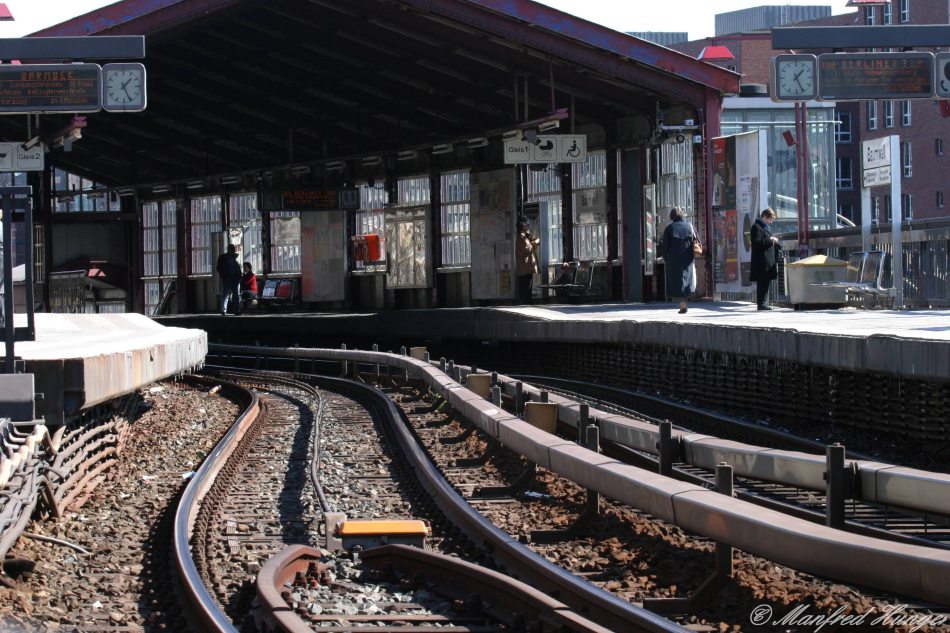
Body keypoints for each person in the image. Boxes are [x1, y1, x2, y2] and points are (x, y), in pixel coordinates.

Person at [659, 207, 697, 314]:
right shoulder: (690, 226)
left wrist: (666, 259)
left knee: (677, 283)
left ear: (672, 217)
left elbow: (665, 247)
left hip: (673, 260)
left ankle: (682, 305)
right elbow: (696, 240)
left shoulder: (669, 229)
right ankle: (684, 303)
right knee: (686, 280)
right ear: (682, 215)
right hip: (687, 258)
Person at [750, 207, 781, 311]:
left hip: (767, 261)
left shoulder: (765, 228)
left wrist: (773, 241)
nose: (771, 222)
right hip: (762, 261)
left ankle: (763, 303)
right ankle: (761, 303)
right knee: (762, 283)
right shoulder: (756, 227)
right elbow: (757, 243)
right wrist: (771, 239)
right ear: (765, 217)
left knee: (765, 282)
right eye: (770, 219)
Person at [515, 218, 540, 303]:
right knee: (526, 284)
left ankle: (526, 299)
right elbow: (528, 249)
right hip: (525, 266)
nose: (528, 225)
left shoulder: (523, 235)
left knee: (526, 283)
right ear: (522, 226)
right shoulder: (521, 236)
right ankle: (526, 300)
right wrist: (536, 242)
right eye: (527, 224)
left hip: (525, 266)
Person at [216, 243, 242, 316]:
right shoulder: (233, 258)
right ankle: (235, 310)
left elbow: (219, 268)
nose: (234, 250)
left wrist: (223, 275)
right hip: (230, 278)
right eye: (233, 249)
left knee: (227, 294)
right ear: (230, 249)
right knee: (233, 295)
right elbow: (219, 268)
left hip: (231, 278)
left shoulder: (223, 257)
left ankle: (224, 310)